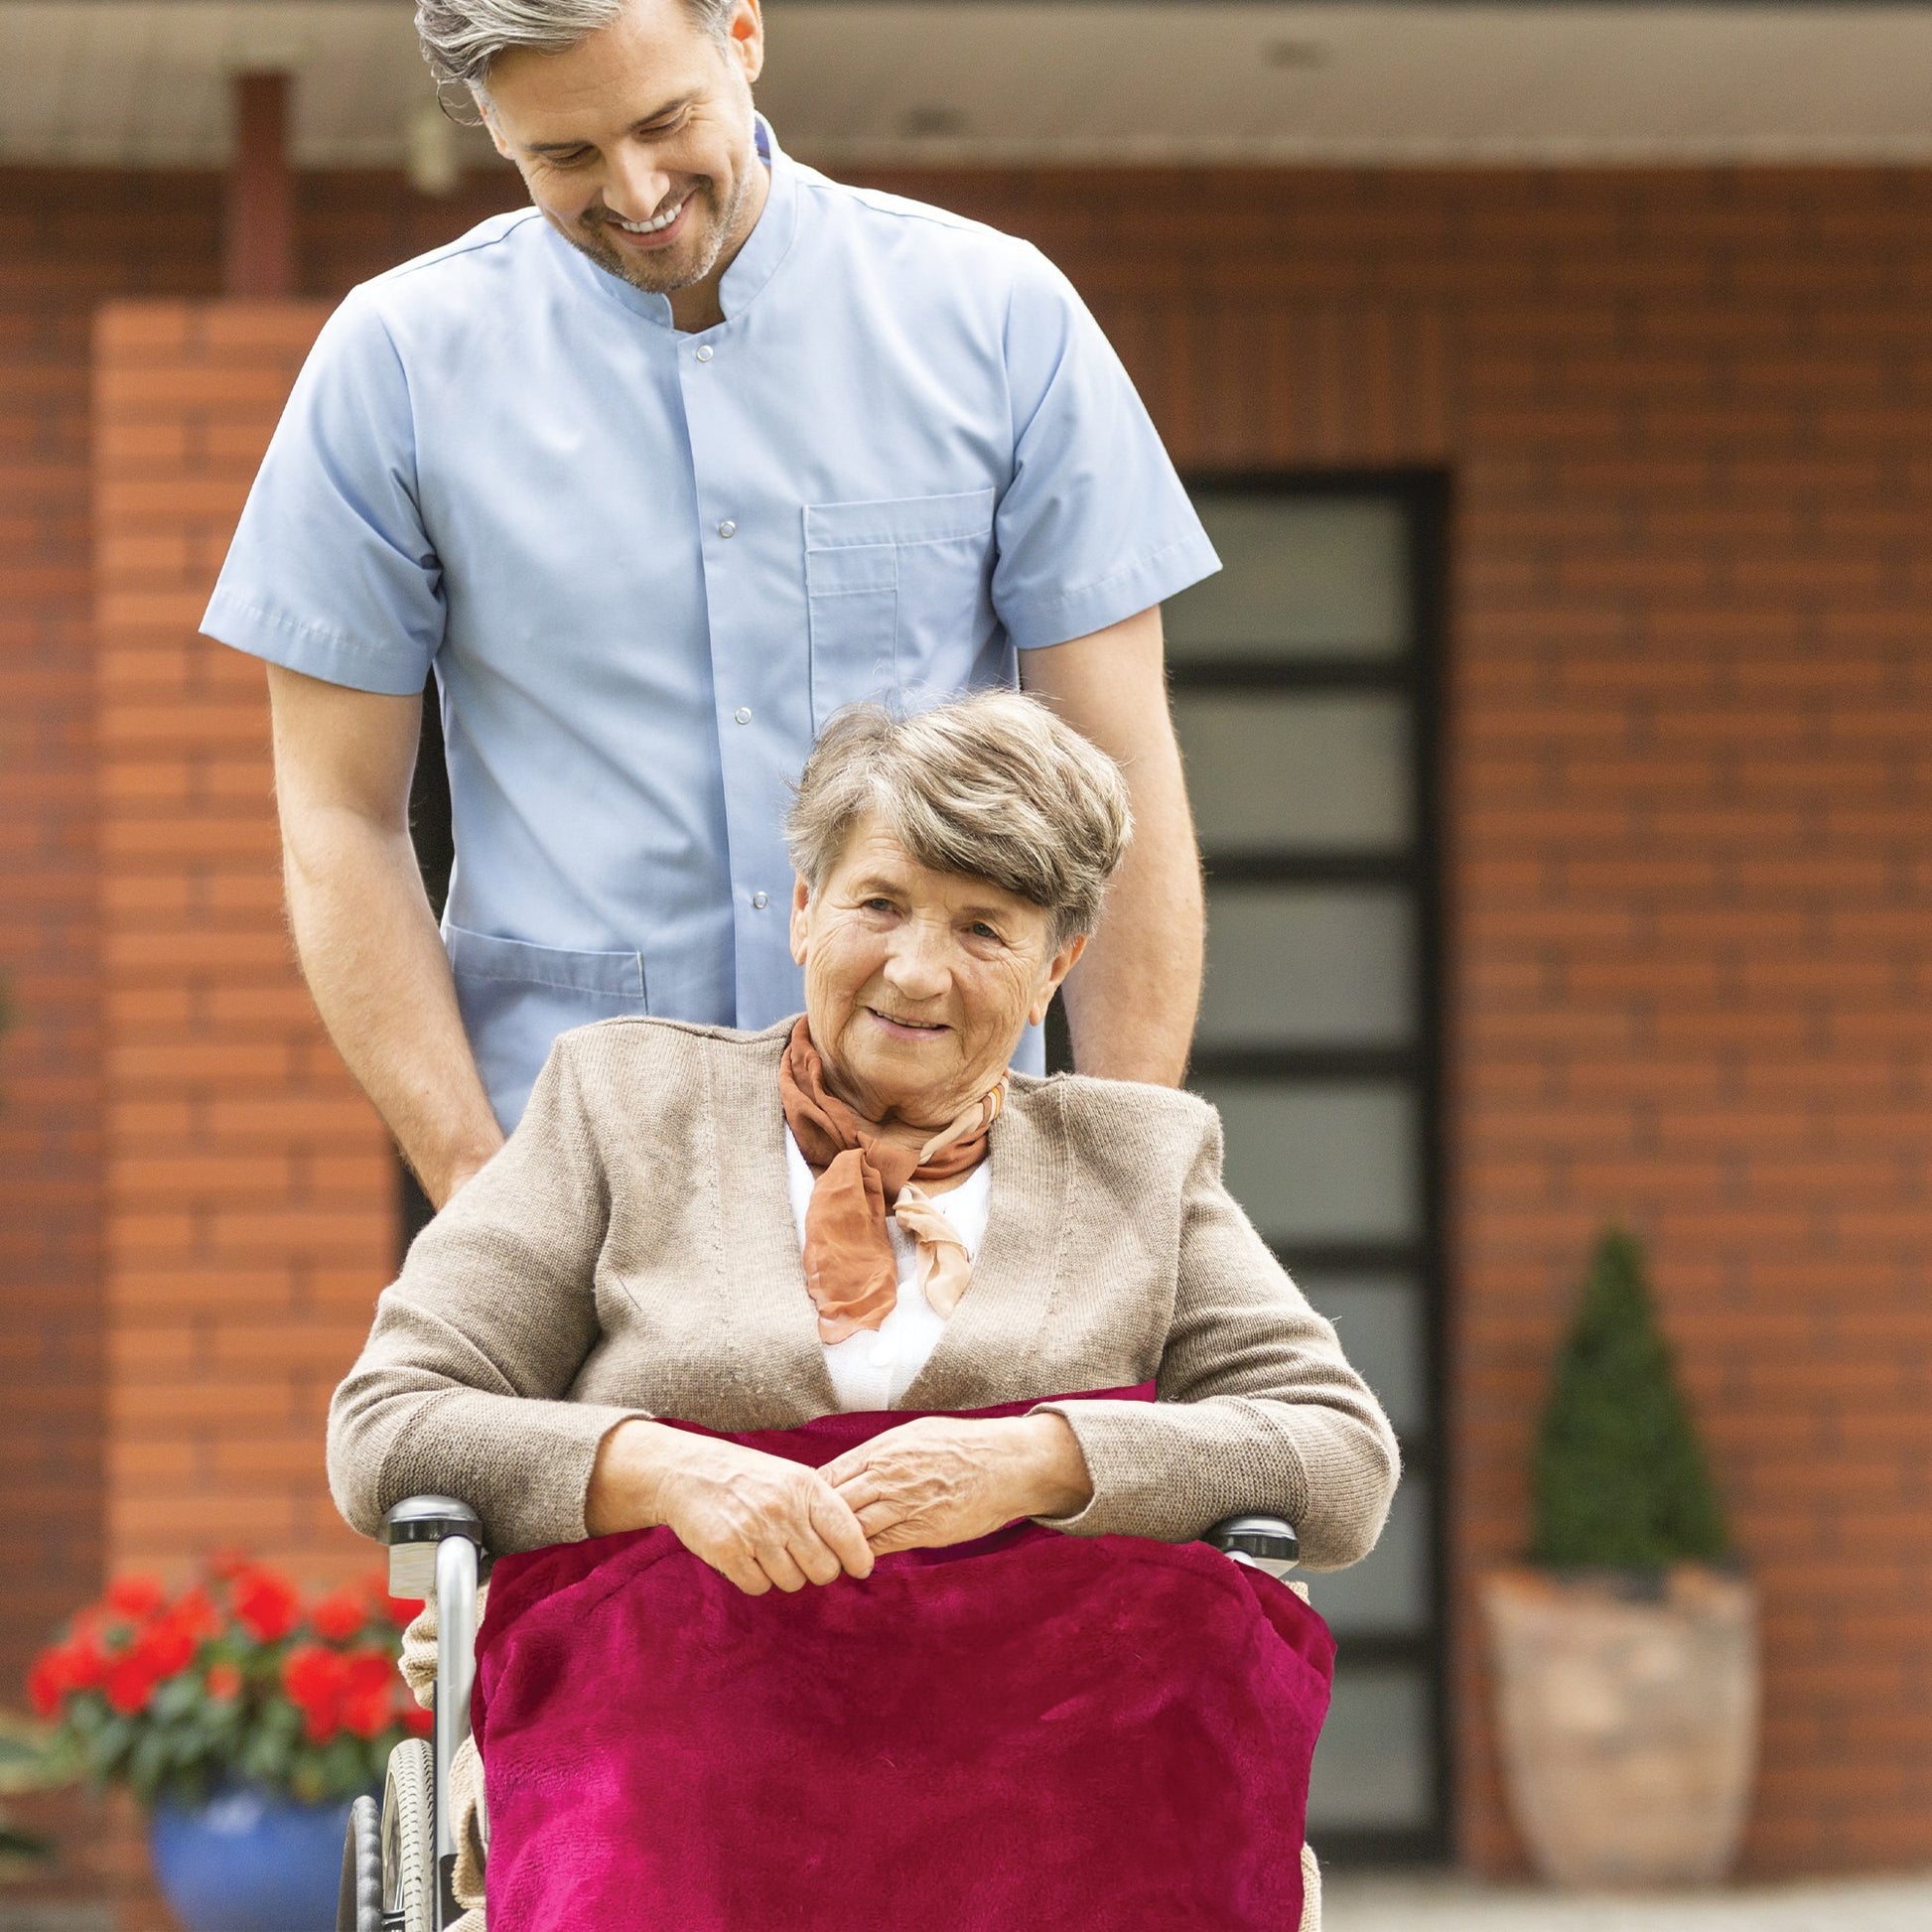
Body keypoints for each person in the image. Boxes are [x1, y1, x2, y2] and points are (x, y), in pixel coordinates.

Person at [327, 693, 1398, 1917]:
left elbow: (1337, 1456)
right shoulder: (620, 1104)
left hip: (1053, 1731)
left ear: (1055, 966)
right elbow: (390, 1424)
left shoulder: (1140, 1161)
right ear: (803, 909)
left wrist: (1033, 1459)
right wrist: (670, 1471)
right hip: (682, 1705)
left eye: (982, 927)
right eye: (879, 902)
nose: (914, 967)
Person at [203, 0, 1220, 1210]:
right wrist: (475, 1178)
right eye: (563, 157)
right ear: (491, 124)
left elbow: (1121, 781)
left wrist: (1115, 1185)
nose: (632, 192)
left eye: (662, 122)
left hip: (956, 1168)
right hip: (578, 1174)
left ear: (740, 32)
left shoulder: (1000, 318)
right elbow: (339, 817)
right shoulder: (394, 362)